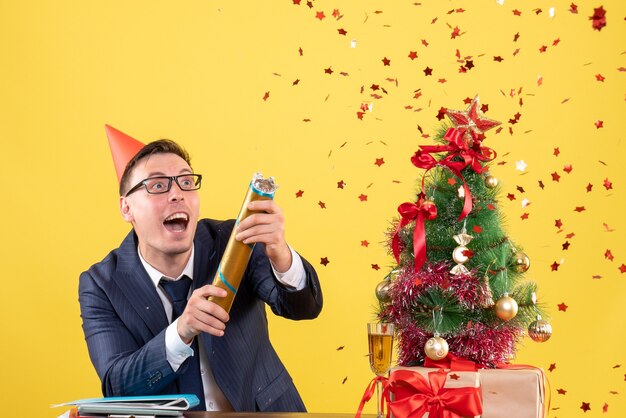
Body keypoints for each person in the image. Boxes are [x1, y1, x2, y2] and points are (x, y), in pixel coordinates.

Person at [79, 125, 323, 412]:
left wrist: (280, 253)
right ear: (126, 209)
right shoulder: (101, 283)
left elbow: (303, 308)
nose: (177, 194)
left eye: (185, 182)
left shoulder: (235, 242)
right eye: (157, 185)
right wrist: (181, 330)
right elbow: (118, 385)